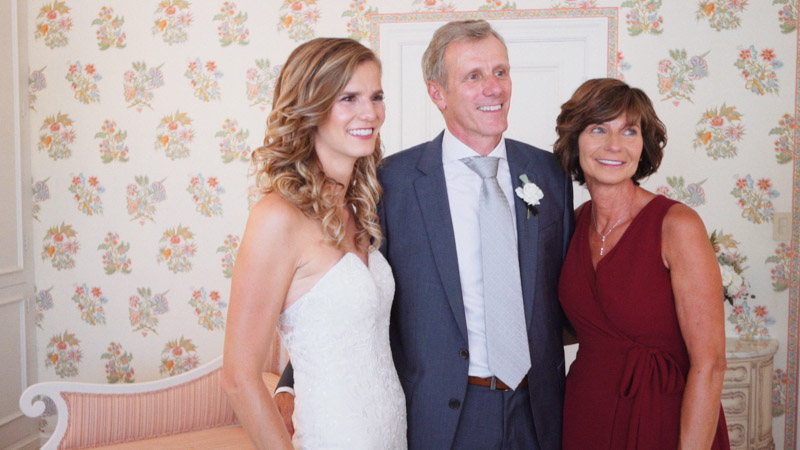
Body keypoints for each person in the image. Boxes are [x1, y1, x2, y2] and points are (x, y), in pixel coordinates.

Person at [277, 20, 574, 449]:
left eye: (501, 72)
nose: (494, 88)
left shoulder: (549, 174)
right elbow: (350, 285)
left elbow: (566, 293)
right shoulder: (390, 184)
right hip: (443, 416)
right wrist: (291, 382)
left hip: (540, 412)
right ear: (437, 93)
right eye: (473, 76)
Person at [221, 37, 406, 449]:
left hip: (392, 434)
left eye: (376, 97)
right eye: (349, 98)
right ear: (311, 109)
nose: (370, 113)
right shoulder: (277, 217)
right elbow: (238, 375)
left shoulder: (362, 208)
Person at [553, 78, 730, 449]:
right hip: (585, 413)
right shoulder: (573, 222)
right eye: (598, 128)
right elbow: (574, 324)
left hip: (662, 415)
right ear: (575, 140)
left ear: (642, 145)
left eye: (629, 131)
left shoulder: (677, 225)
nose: (614, 145)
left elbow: (710, 364)